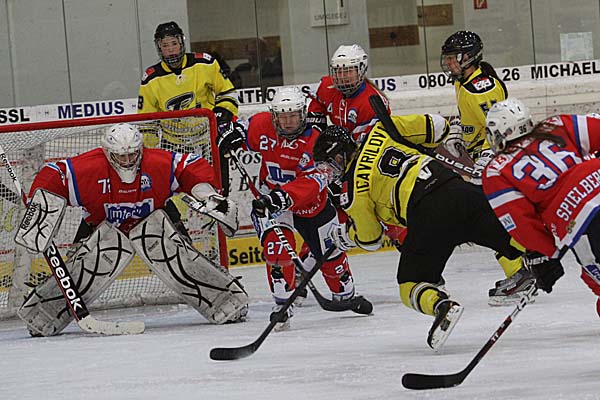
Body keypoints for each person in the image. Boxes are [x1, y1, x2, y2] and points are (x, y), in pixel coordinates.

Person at [312, 123, 527, 351]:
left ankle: (441, 305)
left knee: (410, 285)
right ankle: (541, 260)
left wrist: (347, 236)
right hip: (458, 189)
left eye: (329, 164)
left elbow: (371, 239)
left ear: (340, 155)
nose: (331, 173)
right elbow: (437, 126)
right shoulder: (381, 131)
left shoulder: (353, 192)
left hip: (429, 216)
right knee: (519, 240)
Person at [16, 123, 246, 336]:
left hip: (156, 221)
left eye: (132, 154)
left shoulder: (157, 164)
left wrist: (207, 195)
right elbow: (54, 173)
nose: (127, 161)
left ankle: (226, 301)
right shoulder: (89, 168)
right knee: (84, 269)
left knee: (178, 257)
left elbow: (191, 165)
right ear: (108, 153)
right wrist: (41, 204)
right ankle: (42, 315)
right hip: (101, 226)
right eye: (121, 155)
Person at [216, 86, 372, 330]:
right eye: (283, 116)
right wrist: (229, 134)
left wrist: (281, 197)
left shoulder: (319, 142)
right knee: (277, 251)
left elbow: (313, 183)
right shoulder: (263, 124)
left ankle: (345, 295)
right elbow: (238, 129)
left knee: (332, 259)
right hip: (272, 203)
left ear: (303, 114)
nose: (288, 122)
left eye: (293, 116)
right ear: (275, 115)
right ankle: (282, 306)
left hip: (311, 206)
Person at [483, 98, 600, 316]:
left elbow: (521, 222)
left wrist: (546, 255)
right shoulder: (556, 125)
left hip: (580, 218)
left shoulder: (496, 170)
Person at [440, 30, 530, 304]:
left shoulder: (482, 88)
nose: (449, 63)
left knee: (485, 217)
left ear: (469, 57)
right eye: (448, 58)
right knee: (489, 217)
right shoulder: (464, 82)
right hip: (485, 154)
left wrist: (489, 158)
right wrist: (458, 130)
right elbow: (472, 118)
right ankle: (523, 266)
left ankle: (523, 269)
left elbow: (505, 128)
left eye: (453, 58)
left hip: (496, 157)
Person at [307, 44, 389, 144]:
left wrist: (343, 146)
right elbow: (316, 107)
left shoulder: (373, 103)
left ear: (361, 70)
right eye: (338, 71)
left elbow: (365, 144)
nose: (342, 76)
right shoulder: (326, 86)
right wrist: (318, 133)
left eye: (348, 71)